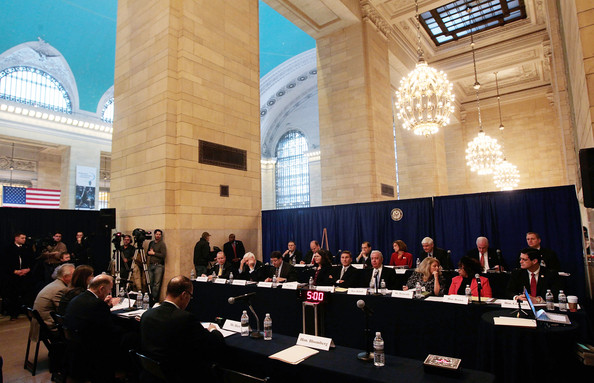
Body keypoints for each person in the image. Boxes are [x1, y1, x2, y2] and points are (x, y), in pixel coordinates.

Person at [140, 276, 225, 382]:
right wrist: (213, 330)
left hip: (150, 375)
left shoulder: (147, 315)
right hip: (177, 375)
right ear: (184, 295)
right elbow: (212, 343)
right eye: (190, 296)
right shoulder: (185, 318)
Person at [64, 274, 122, 382]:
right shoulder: (97, 305)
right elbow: (109, 330)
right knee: (129, 337)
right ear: (101, 289)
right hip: (91, 348)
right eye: (109, 290)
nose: (109, 293)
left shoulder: (78, 298)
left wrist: (105, 306)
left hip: (75, 343)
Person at [32, 263, 75, 331]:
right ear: (65, 277)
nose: (75, 278)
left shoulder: (56, 284)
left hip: (41, 322)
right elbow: (62, 311)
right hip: (48, 325)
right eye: (74, 275)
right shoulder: (60, 289)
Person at [3, 231, 35, 320]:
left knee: (27, 295)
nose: (24, 240)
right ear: (16, 238)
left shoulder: (27, 248)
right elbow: (4, 263)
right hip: (13, 276)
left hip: (26, 275)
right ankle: (13, 313)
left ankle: (28, 312)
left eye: (25, 238)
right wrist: (14, 271)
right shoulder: (8, 248)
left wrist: (28, 269)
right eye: (22, 238)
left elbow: (33, 260)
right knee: (13, 295)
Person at [147, 229, 166, 301]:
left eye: (159, 234)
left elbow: (163, 255)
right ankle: (150, 297)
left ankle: (155, 298)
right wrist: (150, 253)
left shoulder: (162, 244)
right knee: (150, 282)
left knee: (156, 284)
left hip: (158, 266)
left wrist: (154, 253)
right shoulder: (151, 243)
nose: (158, 236)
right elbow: (148, 252)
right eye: (157, 234)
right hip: (151, 264)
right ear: (154, 235)